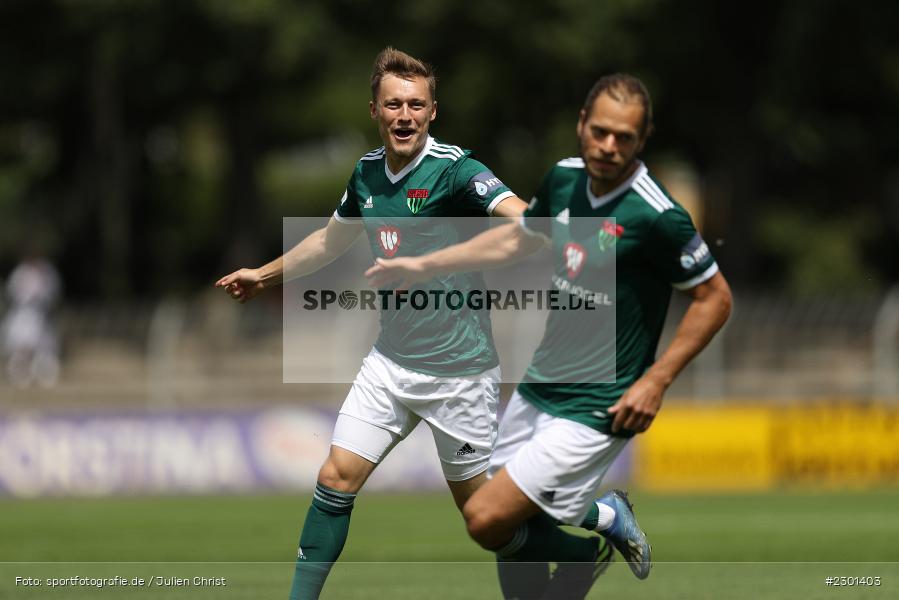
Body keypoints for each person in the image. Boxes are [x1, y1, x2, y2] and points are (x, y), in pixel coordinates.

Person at [366, 73, 733, 598]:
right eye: (600, 131)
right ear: (582, 125)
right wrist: (425, 264)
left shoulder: (656, 215)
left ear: (641, 139)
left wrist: (657, 380)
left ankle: (593, 544)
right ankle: (599, 532)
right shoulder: (563, 179)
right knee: (507, 533)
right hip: (541, 384)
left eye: (623, 137)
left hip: (600, 400)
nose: (608, 146)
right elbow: (518, 242)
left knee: (485, 516)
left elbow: (715, 298)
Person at [215, 47, 531, 600]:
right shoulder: (365, 174)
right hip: (390, 363)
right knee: (335, 477)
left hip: (459, 371)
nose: (404, 114)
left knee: (487, 521)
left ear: (433, 111)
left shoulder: (457, 170)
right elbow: (328, 241)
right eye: (394, 104)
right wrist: (263, 276)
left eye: (416, 104)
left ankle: (598, 523)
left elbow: (522, 221)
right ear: (375, 111)